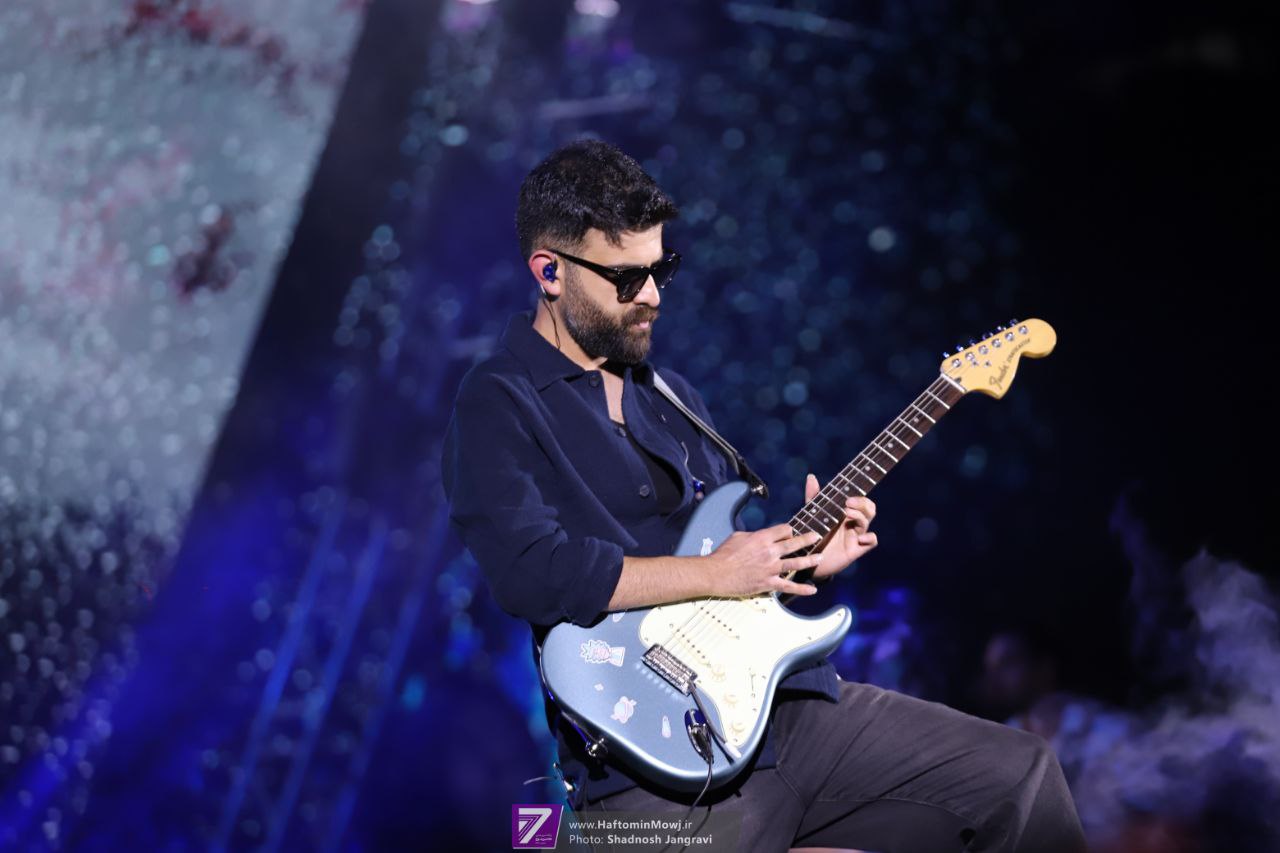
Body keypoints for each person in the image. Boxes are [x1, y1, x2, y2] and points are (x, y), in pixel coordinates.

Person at [441, 139, 1086, 852]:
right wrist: (718, 571)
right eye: (627, 278)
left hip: (792, 718)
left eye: (661, 270)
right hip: (652, 771)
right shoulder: (499, 399)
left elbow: (731, 576)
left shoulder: (672, 397)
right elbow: (532, 572)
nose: (653, 295)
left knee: (1021, 775)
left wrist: (803, 563)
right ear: (550, 271)